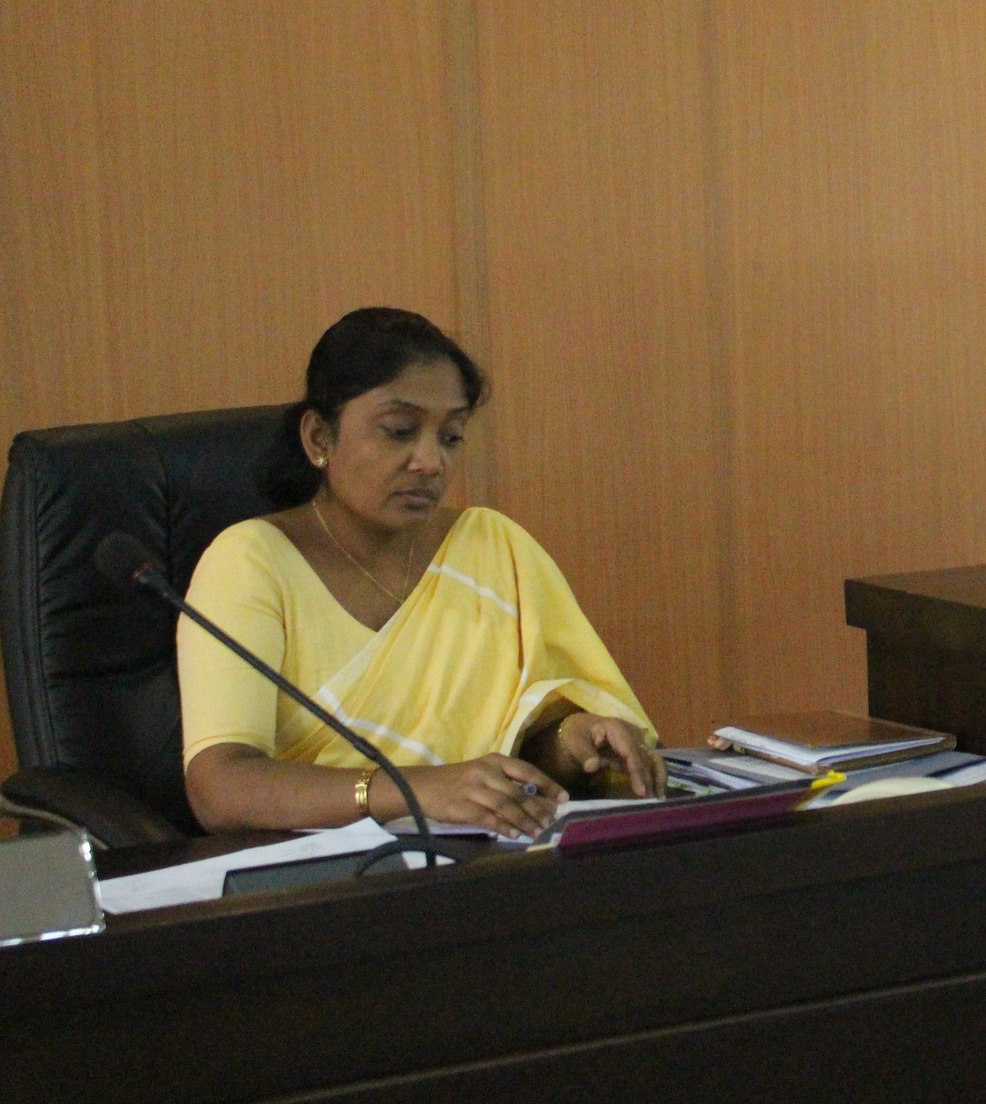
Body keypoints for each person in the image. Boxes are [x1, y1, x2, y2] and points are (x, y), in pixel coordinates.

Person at [178, 307, 664, 839]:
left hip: (486, 855)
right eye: (399, 431)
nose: (431, 462)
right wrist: (415, 789)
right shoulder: (251, 561)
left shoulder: (491, 546)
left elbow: (511, 750)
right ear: (319, 438)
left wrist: (573, 742)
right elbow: (219, 787)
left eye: (451, 436)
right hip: (323, 866)